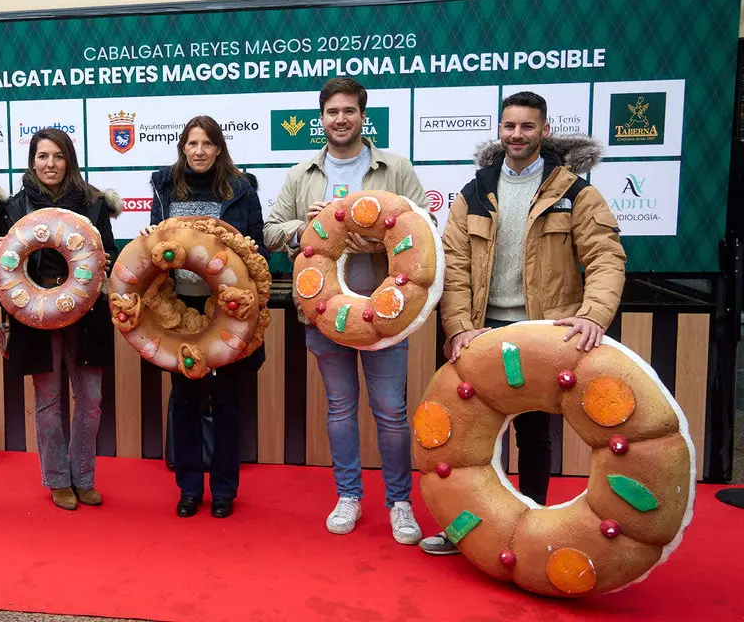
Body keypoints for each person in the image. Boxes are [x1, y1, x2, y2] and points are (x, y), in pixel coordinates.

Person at [419, 90, 626, 554]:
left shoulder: (576, 193)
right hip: (479, 332)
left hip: (541, 336)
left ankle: (527, 537)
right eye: (510, 126)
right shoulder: (473, 192)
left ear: (544, 130)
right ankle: (467, 532)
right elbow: (452, 267)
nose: (517, 134)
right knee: (468, 443)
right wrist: (456, 328)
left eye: (527, 126)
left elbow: (606, 259)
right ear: (499, 129)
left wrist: (592, 316)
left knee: (534, 437)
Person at [263, 76, 427, 544]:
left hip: (388, 313)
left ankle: (399, 502)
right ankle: (349, 495)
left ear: (362, 115)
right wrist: (306, 228)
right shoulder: (302, 174)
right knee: (340, 409)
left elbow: (423, 229)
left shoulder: (394, 168)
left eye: (349, 111)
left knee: (391, 412)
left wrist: (374, 236)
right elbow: (272, 231)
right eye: (332, 112)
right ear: (321, 119)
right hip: (323, 312)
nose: (341, 119)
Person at [142, 115, 265, 519]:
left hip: (229, 310)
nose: (199, 151)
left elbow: (255, 248)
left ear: (218, 148)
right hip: (180, 309)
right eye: (192, 144)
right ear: (183, 148)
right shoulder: (164, 187)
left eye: (207, 144)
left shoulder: (241, 190)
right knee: (185, 400)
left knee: (229, 399)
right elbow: (156, 247)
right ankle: (190, 488)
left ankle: (225, 489)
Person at [0, 128, 120, 511]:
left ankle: (83, 477)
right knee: (48, 400)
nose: (51, 164)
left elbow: (110, 252)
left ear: (70, 161)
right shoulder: (12, 209)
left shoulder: (94, 204)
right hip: (35, 314)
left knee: (91, 400)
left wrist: (104, 259)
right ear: (33, 160)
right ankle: (57, 479)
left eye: (58, 156)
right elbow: (1, 270)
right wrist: (2, 250)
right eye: (43, 156)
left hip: (86, 313)